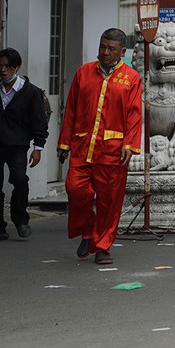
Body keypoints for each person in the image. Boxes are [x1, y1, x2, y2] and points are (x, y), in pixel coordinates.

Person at [57, 28, 142, 265]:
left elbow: (135, 115)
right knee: (75, 190)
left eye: (110, 49)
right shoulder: (83, 74)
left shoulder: (131, 78)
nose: (104, 52)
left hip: (113, 151)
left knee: (109, 202)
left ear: (122, 52)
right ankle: (87, 231)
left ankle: (103, 246)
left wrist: (130, 144)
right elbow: (71, 110)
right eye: (102, 47)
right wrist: (64, 143)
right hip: (82, 146)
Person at [0, 48, 49, 241]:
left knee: (19, 181)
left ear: (17, 67)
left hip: (17, 145)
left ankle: (20, 219)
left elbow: (39, 121)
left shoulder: (30, 92)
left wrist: (38, 148)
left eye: (7, 66)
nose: (2, 70)